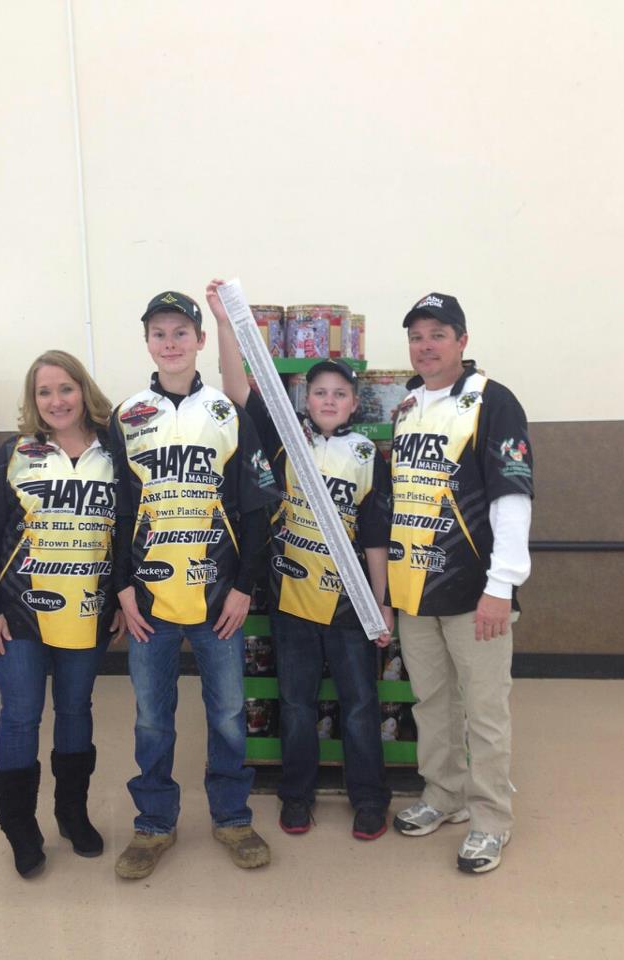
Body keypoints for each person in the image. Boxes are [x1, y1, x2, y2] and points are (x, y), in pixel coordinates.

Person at [207, 279, 394, 841]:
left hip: (351, 606)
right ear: (303, 400)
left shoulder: (367, 454)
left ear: (354, 404)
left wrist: (380, 604)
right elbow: (238, 386)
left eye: (340, 393)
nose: (329, 401)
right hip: (291, 601)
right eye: (319, 393)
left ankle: (368, 798)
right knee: (295, 704)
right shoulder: (283, 438)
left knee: (361, 706)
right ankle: (296, 795)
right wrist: (223, 320)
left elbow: (377, 536)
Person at [111, 290, 278, 879]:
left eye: (182, 332)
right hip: (148, 602)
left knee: (229, 712)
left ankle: (232, 815)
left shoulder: (228, 413)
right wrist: (123, 590)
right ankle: (154, 824)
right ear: (148, 342)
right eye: (160, 333)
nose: (171, 343)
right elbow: (115, 509)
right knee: (152, 716)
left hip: (218, 600)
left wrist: (244, 588)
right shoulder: (127, 414)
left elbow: (256, 508)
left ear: (201, 340)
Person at [0, 350, 124, 878]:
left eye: (65, 389)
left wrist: (121, 595)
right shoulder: (14, 453)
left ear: (84, 392)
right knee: (21, 715)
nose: (56, 401)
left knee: (76, 711)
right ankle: (20, 827)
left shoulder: (116, 452)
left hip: (88, 610)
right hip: (18, 612)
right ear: (33, 401)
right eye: (44, 392)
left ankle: (72, 813)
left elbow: (125, 536)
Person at [388, 292, 533, 874]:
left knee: (485, 710)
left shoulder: (494, 401)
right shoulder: (408, 407)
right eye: (417, 336)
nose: (426, 346)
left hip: (477, 593)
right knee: (432, 702)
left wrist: (502, 585)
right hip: (415, 590)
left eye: (438, 334)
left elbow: (513, 495)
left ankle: (491, 819)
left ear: (462, 341)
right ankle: (443, 796)